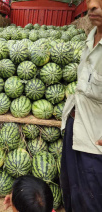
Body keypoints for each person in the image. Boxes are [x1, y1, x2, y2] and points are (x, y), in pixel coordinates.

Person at [60, 0, 102, 211]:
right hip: (75, 128)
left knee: (91, 200)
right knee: (70, 191)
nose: (93, 5)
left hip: (96, 141)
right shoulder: (91, 37)